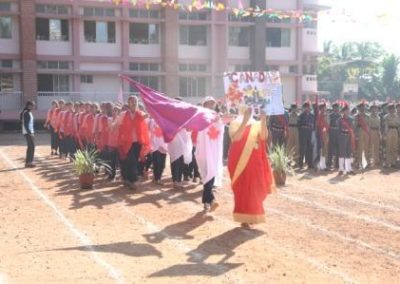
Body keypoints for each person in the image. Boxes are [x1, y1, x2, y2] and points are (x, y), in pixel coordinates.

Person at [228, 107, 274, 228]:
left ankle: (253, 215)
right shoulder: (235, 122)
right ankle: (244, 217)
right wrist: (244, 121)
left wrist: (263, 121)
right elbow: (235, 138)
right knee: (243, 188)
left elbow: (264, 137)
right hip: (239, 161)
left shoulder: (257, 123)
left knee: (256, 188)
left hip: (255, 160)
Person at [195, 96, 225, 212]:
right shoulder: (201, 114)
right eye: (209, 103)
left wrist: (220, 119)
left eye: (213, 103)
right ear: (204, 104)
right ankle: (209, 200)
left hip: (213, 149)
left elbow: (221, 127)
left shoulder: (216, 115)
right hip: (203, 149)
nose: (211, 105)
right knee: (207, 173)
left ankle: (209, 201)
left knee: (211, 173)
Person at [116, 96, 150, 190]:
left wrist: (152, 109)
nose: (134, 103)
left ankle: (127, 179)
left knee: (132, 161)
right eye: (131, 102)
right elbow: (117, 123)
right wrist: (112, 126)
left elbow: (145, 116)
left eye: (135, 101)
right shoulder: (123, 114)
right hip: (127, 142)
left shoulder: (140, 113)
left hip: (137, 142)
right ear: (128, 103)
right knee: (132, 161)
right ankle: (133, 180)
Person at [338, 104, 356, 175]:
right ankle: (341, 169)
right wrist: (339, 138)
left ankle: (348, 169)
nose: (347, 112)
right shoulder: (340, 120)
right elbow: (338, 130)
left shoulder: (351, 119)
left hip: (349, 136)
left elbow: (352, 129)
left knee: (348, 152)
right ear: (343, 111)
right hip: (342, 136)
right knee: (342, 153)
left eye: (348, 110)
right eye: (346, 110)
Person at [149, 118, 167, 185]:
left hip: (164, 145)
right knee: (157, 163)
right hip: (155, 145)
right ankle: (157, 178)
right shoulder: (153, 121)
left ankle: (157, 177)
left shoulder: (166, 121)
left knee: (162, 165)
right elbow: (150, 129)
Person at [354, 101, 371, 169]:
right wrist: (356, 135)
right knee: (359, 149)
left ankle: (367, 163)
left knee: (367, 148)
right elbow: (355, 126)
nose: (362, 108)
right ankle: (359, 163)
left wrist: (368, 133)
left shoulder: (367, 116)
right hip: (360, 132)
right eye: (360, 107)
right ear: (358, 108)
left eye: (363, 107)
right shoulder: (356, 116)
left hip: (366, 132)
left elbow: (369, 125)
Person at [298, 102, 314, 169]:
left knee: (310, 149)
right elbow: (299, 125)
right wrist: (301, 132)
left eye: (308, 107)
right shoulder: (301, 115)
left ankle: (310, 164)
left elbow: (313, 124)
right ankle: (300, 164)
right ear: (304, 108)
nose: (307, 108)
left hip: (310, 132)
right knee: (302, 149)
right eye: (306, 107)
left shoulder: (312, 115)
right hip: (303, 132)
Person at [20, 101, 36, 168]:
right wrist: (30, 133)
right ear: (28, 105)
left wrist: (32, 132)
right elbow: (26, 125)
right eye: (32, 105)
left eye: (33, 105)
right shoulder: (26, 113)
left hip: (29, 132)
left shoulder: (28, 112)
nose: (33, 106)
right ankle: (29, 162)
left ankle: (28, 162)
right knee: (32, 146)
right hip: (27, 132)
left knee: (30, 146)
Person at [383, 104, 399, 168]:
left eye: (393, 108)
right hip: (389, 131)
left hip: (395, 131)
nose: (391, 110)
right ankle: (388, 162)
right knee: (388, 147)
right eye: (390, 108)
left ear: (394, 109)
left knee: (395, 147)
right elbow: (385, 126)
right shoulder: (386, 116)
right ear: (388, 109)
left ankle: (394, 162)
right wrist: (385, 134)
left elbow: (399, 125)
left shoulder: (397, 116)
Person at [327, 103, 341, 169]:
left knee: (338, 149)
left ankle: (337, 164)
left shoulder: (340, 116)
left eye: (337, 107)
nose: (336, 109)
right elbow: (328, 125)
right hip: (332, 132)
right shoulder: (330, 116)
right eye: (335, 107)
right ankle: (329, 163)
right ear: (333, 108)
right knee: (330, 149)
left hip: (338, 133)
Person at [316, 103, 329, 171]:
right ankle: (319, 165)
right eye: (323, 108)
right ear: (320, 109)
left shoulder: (326, 115)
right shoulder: (319, 115)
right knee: (320, 150)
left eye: (325, 107)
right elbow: (318, 125)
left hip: (325, 134)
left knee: (325, 150)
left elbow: (328, 124)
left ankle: (324, 165)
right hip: (320, 134)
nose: (325, 109)